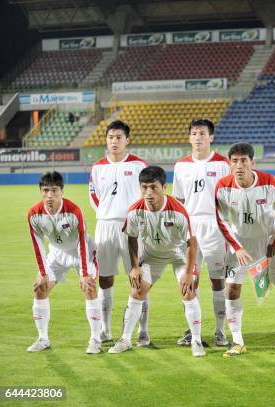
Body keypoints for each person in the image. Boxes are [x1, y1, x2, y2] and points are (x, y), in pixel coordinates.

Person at [215, 143, 275, 358]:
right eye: (235, 161)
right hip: (239, 248)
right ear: (230, 164)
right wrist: (236, 247)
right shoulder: (222, 186)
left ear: (252, 163)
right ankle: (237, 341)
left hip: (268, 245)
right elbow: (220, 219)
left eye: (243, 161)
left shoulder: (269, 182)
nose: (239, 165)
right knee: (231, 291)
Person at [108, 166, 204, 357]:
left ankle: (196, 341)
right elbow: (132, 238)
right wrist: (135, 267)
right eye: (144, 188)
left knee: (188, 291)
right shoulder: (135, 211)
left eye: (153, 187)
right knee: (136, 291)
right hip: (152, 256)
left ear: (164, 187)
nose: (149, 193)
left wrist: (188, 272)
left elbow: (191, 243)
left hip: (178, 253)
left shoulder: (178, 211)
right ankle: (126, 339)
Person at [27, 171, 102, 354]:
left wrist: (85, 273)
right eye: (45, 191)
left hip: (80, 252)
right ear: (40, 191)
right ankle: (43, 338)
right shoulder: (34, 213)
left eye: (54, 190)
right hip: (56, 253)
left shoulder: (74, 211)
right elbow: (38, 246)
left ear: (62, 190)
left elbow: (83, 241)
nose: (49, 195)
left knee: (89, 288)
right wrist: (43, 273)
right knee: (39, 288)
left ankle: (95, 339)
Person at [89, 120, 149, 345]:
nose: (114, 141)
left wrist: (132, 218)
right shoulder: (97, 167)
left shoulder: (138, 165)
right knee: (104, 279)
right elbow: (94, 197)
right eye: (111, 137)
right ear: (106, 139)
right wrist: (107, 213)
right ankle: (105, 330)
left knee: (139, 279)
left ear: (127, 140)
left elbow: (147, 195)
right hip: (104, 226)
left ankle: (143, 331)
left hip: (132, 227)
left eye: (119, 138)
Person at [173, 118, 230, 347]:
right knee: (190, 281)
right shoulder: (181, 166)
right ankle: (192, 330)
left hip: (216, 227)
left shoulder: (223, 164)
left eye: (202, 133)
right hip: (190, 228)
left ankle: (220, 331)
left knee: (217, 281)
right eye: (194, 133)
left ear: (211, 137)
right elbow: (179, 200)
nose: (198, 137)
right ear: (189, 137)